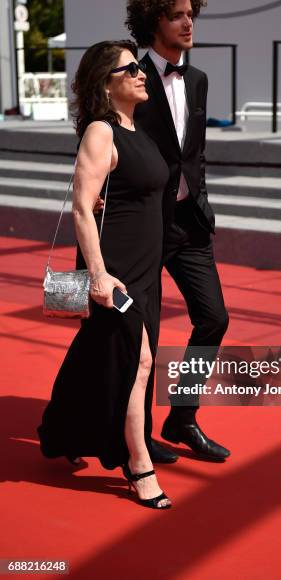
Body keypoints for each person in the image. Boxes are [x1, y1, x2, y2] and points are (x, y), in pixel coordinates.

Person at [37, 40, 172, 509]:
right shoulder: (101, 131)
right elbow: (80, 207)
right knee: (140, 362)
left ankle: (61, 429)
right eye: (129, 68)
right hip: (114, 269)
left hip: (146, 268)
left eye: (139, 67)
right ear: (106, 83)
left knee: (102, 355)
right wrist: (97, 275)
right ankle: (139, 466)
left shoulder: (141, 132)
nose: (141, 73)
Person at [126, 0, 230, 463]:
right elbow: (101, 135)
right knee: (143, 332)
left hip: (190, 222)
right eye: (177, 15)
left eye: (192, 14)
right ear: (153, 23)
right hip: (144, 224)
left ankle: (182, 417)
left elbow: (195, 151)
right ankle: (138, 434)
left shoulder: (199, 80)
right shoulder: (130, 75)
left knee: (213, 318)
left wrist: (201, 194)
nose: (189, 22)